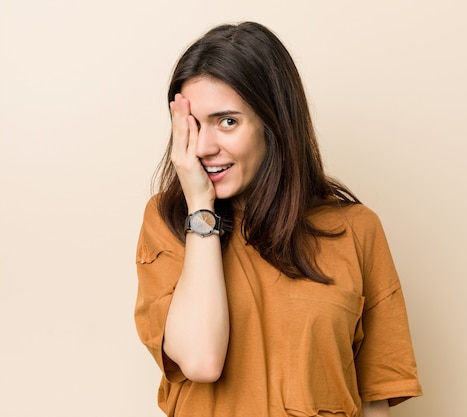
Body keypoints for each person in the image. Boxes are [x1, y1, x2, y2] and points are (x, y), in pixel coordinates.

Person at [134, 21, 422, 417]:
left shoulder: (357, 230)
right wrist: (200, 207)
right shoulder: (168, 223)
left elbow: (375, 400)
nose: (203, 146)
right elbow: (202, 361)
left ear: (273, 125)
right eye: (193, 125)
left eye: (227, 121)